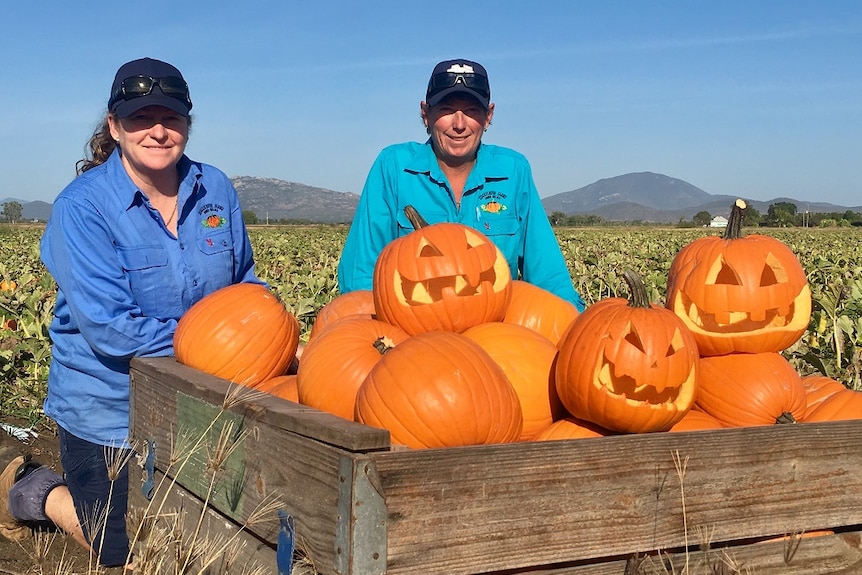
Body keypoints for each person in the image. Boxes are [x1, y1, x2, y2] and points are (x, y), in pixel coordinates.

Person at [0, 57, 263, 568]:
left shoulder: (216, 189)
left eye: (172, 117)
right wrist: (220, 345)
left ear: (188, 123)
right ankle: (34, 492)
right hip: (108, 408)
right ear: (115, 126)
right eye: (141, 118)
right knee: (123, 552)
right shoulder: (83, 207)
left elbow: (245, 287)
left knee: (210, 536)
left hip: (203, 398)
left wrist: (268, 333)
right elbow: (110, 328)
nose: (159, 131)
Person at [337, 58, 586, 311]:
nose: (459, 124)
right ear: (426, 114)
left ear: (488, 116)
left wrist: (575, 329)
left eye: (471, 111)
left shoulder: (513, 171)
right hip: (415, 338)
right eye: (446, 109)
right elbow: (361, 276)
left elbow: (549, 277)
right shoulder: (393, 168)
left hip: (495, 337)